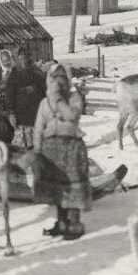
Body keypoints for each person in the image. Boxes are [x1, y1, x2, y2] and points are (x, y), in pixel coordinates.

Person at [33, 63, 91, 241]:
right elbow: (38, 128)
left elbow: (72, 116)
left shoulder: (75, 98)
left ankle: (74, 223)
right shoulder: (44, 102)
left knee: (72, 186)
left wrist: (58, 99)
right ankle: (62, 222)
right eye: (54, 78)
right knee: (58, 188)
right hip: (51, 150)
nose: (58, 82)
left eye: (62, 78)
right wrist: (37, 152)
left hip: (72, 148)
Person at [5, 49, 46, 150]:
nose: (22, 61)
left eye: (24, 58)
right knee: (23, 145)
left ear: (29, 58)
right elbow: (9, 95)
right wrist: (11, 113)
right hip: (21, 111)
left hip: (36, 109)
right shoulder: (14, 74)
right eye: (20, 59)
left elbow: (45, 90)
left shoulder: (37, 72)